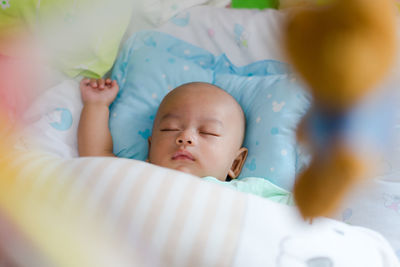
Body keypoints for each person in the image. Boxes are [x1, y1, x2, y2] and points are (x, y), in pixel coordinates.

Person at [78, 78, 292, 203]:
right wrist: (96, 106)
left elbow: (308, 216)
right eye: (170, 129)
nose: (185, 137)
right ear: (151, 149)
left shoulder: (247, 194)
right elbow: (96, 155)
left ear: (235, 163)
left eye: (208, 132)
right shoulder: (140, 175)